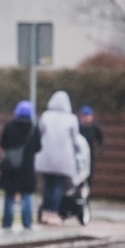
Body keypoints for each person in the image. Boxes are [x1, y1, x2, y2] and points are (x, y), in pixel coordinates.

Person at [34, 90, 81, 225]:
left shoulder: (45, 116)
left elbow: (39, 133)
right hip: (63, 159)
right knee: (57, 187)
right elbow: (75, 140)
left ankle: (45, 213)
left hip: (45, 158)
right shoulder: (71, 118)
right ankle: (53, 213)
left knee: (47, 185)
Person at [0, 100, 41, 230]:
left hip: (10, 166)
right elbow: (38, 147)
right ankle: (27, 223)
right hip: (27, 167)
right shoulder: (33, 128)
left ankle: (7, 223)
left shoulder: (9, 126)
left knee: (9, 195)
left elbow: (2, 143)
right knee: (26, 194)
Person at [78, 105, 104, 186]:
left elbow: (100, 139)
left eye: (87, 115)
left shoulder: (94, 128)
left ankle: (87, 192)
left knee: (89, 176)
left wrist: (100, 147)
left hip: (90, 156)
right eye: (84, 116)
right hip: (79, 156)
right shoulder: (78, 127)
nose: (86, 118)